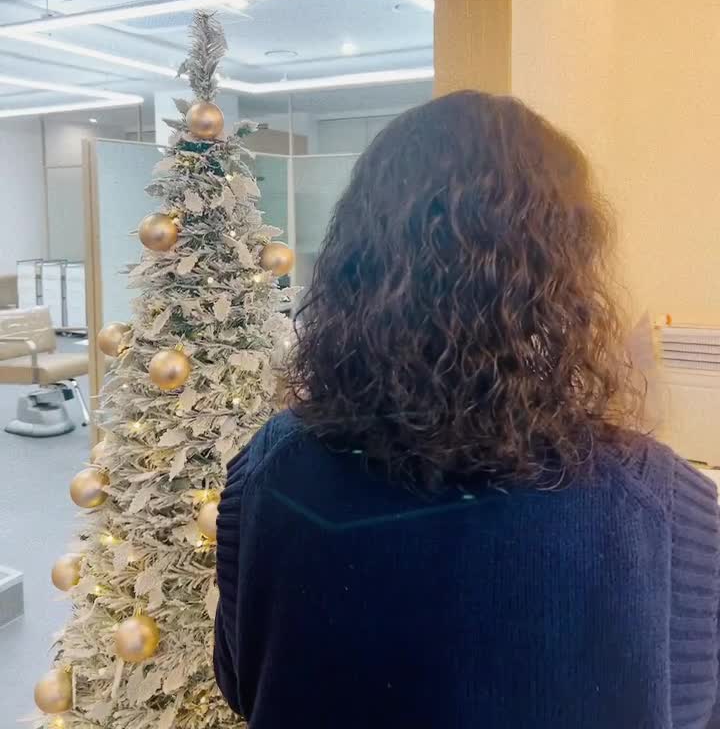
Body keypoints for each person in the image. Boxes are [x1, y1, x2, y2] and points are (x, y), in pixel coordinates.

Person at [214, 91, 720, 729]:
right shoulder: (665, 506)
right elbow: (690, 708)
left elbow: (242, 681)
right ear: (563, 279)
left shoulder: (271, 468)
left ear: (355, 265)